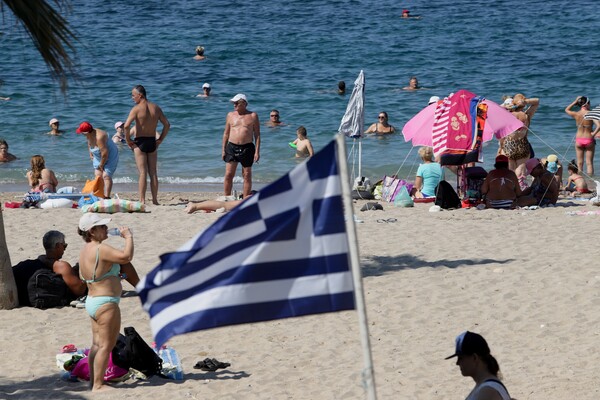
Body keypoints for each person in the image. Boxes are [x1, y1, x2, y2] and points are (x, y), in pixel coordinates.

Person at [77, 213, 133, 392]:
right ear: (92, 231)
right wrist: (128, 237)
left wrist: (118, 277)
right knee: (106, 345)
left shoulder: (85, 249)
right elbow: (126, 257)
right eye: (102, 227)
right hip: (105, 303)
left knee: (96, 344)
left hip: (93, 300)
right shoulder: (101, 248)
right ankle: (98, 385)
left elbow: (100, 274)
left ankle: (93, 381)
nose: (106, 229)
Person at [12, 230, 86, 307]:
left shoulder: (29, 264)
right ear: (58, 246)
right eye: (64, 246)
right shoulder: (61, 266)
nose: (64, 249)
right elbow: (80, 290)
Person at [124, 85, 170, 205]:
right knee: (153, 172)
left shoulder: (136, 109)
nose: (132, 98)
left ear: (140, 95)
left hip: (140, 142)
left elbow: (126, 126)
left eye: (133, 95)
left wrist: (128, 140)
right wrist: (160, 140)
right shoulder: (156, 108)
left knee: (143, 173)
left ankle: (142, 200)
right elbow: (167, 125)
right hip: (152, 141)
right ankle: (155, 200)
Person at [446, 331, 512, 400]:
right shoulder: (486, 387)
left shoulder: (487, 391)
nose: (457, 363)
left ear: (474, 358)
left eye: (461, 358)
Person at [222, 93, 260, 198]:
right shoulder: (230, 115)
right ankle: (227, 197)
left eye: (236, 103)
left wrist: (257, 151)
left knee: (247, 175)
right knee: (229, 174)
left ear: (243, 103)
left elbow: (257, 135)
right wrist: (223, 150)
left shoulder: (253, 116)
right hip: (231, 147)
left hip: (247, 147)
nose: (234, 105)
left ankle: (245, 198)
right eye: (233, 103)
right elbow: (226, 133)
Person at [499, 93, 540, 189]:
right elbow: (537, 102)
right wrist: (525, 101)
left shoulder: (506, 115)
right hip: (522, 144)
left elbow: (493, 109)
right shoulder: (526, 115)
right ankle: (521, 187)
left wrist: (507, 105)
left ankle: (511, 188)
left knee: (510, 170)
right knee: (521, 169)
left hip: (508, 144)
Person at [76, 121, 119, 199]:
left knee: (106, 176)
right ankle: (100, 194)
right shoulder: (90, 133)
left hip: (110, 155)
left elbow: (105, 154)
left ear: (86, 132)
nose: (81, 134)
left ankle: (107, 196)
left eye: (82, 132)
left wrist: (101, 164)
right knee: (98, 175)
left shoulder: (99, 137)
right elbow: (89, 143)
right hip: (98, 154)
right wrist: (91, 154)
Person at [565, 96, 596, 175]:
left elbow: (566, 110)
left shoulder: (576, 114)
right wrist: (594, 134)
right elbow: (599, 126)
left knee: (579, 163)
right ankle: (591, 182)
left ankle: (579, 180)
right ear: (587, 104)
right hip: (589, 139)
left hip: (579, 140)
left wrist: (575, 101)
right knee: (589, 163)